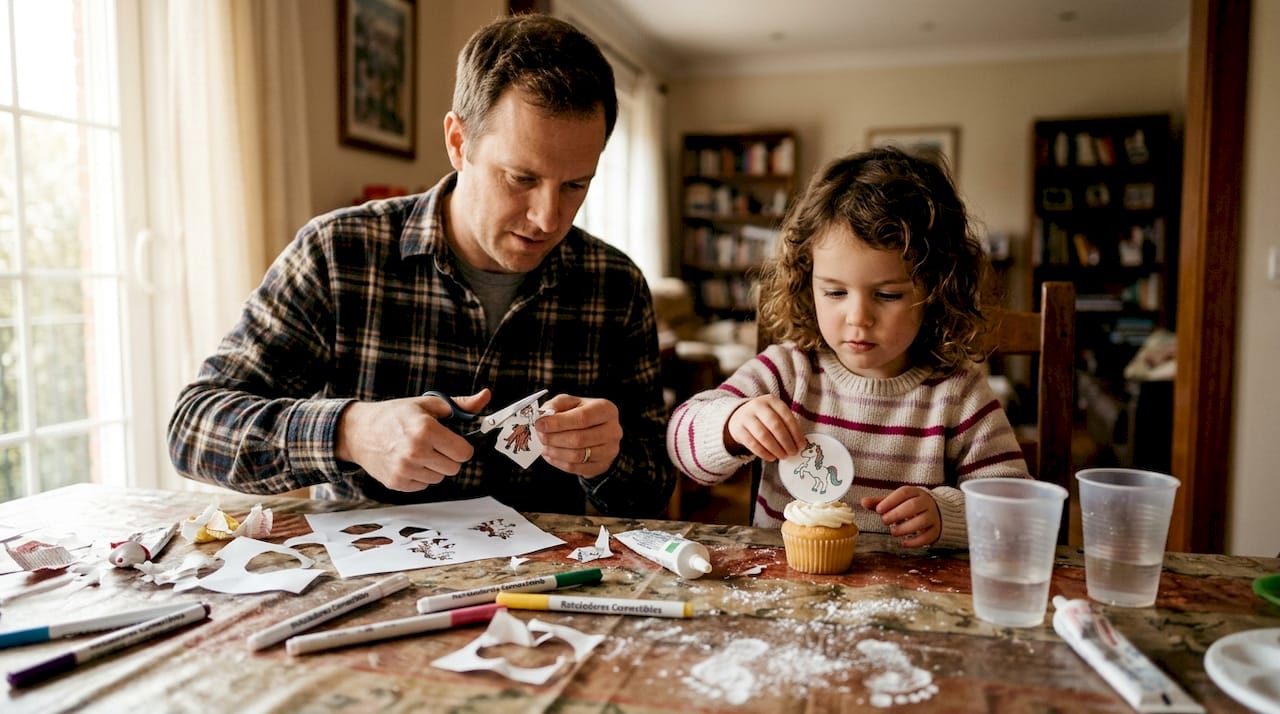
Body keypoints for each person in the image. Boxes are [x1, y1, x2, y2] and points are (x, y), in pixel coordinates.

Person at [168, 14, 673, 517]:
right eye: (521, 178)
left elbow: (653, 487)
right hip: (366, 564)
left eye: (575, 185)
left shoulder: (617, 285)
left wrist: (609, 459)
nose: (547, 218)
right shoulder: (338, 254)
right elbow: (193, 428)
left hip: (545, 568)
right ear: (458, 142)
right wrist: (349, 431)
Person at [666, 147, 1029, 548]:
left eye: (888, 295)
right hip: (786, 581)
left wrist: (948, 516)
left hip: (906, 585)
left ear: (938, 291)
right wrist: (731, 424)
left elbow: (1016, 511)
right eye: (835, 292)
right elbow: (681, 442)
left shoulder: (958, 394)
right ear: (807, 283)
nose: (858, 317)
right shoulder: (788, 371)